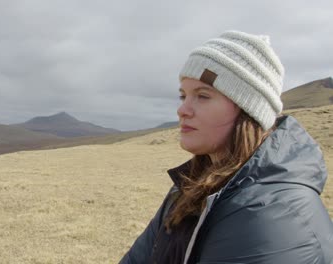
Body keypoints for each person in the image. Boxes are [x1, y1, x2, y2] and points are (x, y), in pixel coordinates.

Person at [119, 30, 333, 264]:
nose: (182, 110)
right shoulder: (191, 186)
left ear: (247, 110)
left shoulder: (273, 214)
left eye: (203, 95)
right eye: (183, 95)